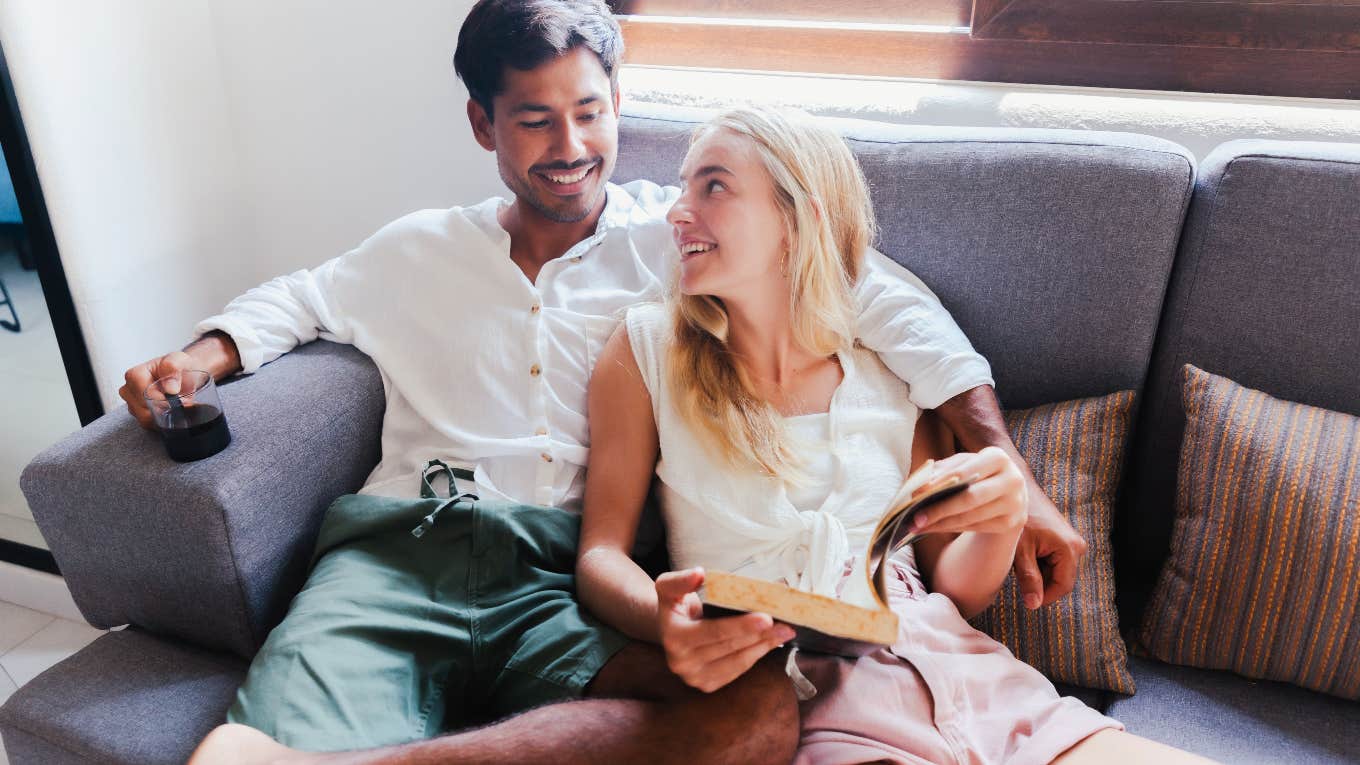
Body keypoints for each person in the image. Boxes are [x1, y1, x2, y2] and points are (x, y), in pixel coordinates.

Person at [106, 1, 1074, 762]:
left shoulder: (682, 239)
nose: (569, 146)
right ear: (484, 125)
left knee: (752, 721)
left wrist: (1007, 474)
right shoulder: (416, 248)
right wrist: (201, 357)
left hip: (560, 583)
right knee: (272, 739)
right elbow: (299, 300)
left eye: (589, 113)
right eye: (534, 120)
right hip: (398, 557)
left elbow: (873, 292)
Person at [576, 106, 1218, 764]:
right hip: (810, 697)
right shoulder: (646, 349)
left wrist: (1001, 517)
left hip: (974, 681)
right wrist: (665, 619)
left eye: (713, 185)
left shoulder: (887, 370)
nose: (678, 212)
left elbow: (954, 590)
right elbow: (600, 556)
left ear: (797, 220)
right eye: (683, 187)